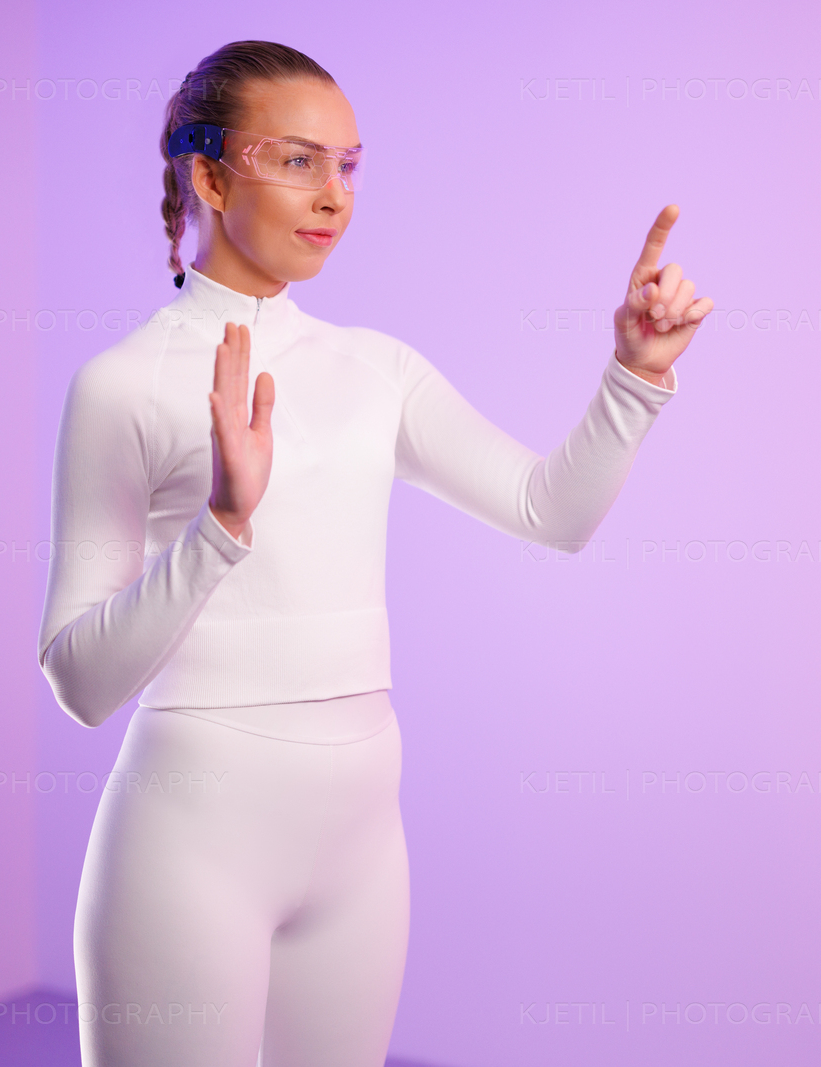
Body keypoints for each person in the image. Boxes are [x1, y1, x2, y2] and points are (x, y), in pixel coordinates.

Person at [37, 40, 712, 1067]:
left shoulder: (375, 369)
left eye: (348, 165)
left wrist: (635, 377)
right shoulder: (122, 384)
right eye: (297, 160)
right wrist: (220, 528)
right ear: (208, 177)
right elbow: (79, 682)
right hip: (187, 841)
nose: (334, 195)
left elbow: (550, 511)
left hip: (359, 846)